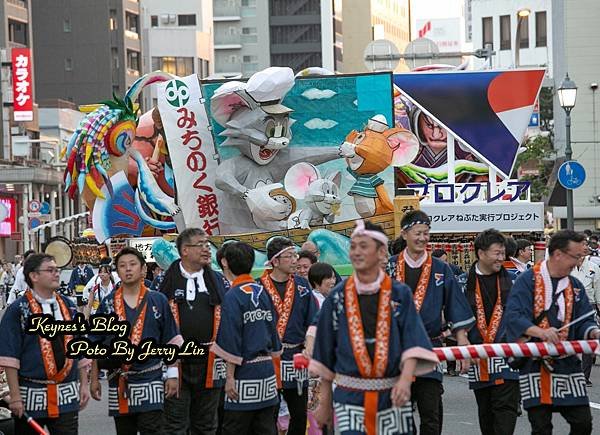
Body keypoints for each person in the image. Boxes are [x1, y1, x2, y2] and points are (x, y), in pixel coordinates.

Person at [310, 220, 439, 434]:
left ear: (381, 253)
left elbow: (413, 341)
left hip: (391, 393)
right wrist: (324, 401)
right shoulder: (338, 297)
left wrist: (406, 381)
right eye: (353, 246)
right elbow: (325, 352)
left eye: (364, 246)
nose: (356, 252)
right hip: (349, 395)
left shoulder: (400, 294)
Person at [505, 230, 600, 435]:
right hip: (535, 363)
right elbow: (513, 316)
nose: (577, 262)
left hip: (567, 363)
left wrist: (593, 332)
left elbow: (584, 318)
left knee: (583, 422)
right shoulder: (527, 280)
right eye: (575, 256)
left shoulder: (574, 285)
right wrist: (539, 331)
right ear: (558, 254)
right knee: (541, 427)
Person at [389, 210, 474, 435]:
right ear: (405, 233)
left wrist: (462, 343)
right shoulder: (388, 267)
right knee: (399, 413)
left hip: (430, 347)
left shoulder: (440, 268)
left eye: (426, 233)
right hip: (395, 349)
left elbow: (455, 305)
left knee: (431, 412)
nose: (423, 238)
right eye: (418, 233)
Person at [89, 247, 182, 435]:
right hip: (119, 379)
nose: (128, 269)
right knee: (124, 430)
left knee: (153, 429)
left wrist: (173, 373)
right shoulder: (107, 304)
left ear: (143, 270)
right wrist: (93, 379)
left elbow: (171, 338)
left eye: (132, 264)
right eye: (122, 266)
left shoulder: (158, 300)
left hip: (151, 377)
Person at [0, 253, 90, 434]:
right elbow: (9, 357)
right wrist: (15, 396)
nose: (56, 274)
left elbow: (79, 346)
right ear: (33, 276)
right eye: (50, 270)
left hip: (67, 392)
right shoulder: (18, 310)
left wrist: (84, 384)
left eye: (57, 270)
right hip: (31, 394)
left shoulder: (68, 306)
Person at [159, 228, 229, 435]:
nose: (207, 249)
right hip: (177, 363)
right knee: (175, 425)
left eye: (208, 244)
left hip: (210, 362)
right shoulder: (167, 281)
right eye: (201, 244)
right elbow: (160, 323)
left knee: (207, 424)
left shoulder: (217, 280)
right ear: (185, 250)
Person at [212, 242, 282, 435]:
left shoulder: (233, 296)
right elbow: (273, 332)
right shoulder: (262, 291)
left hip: (243, 374)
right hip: (266, 372)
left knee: (235, 429)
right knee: (266, 428)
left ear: (225, 262)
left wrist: (230, 377)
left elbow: (231, 339)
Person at [259, 236, 318, 435]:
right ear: (275, 261)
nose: (295, 260)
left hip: (296, 357)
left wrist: (311, 348)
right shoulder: (258, 288)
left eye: (295, 255)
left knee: (299, 413)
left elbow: (313, 321)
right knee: (269, 415)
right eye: (289, 256)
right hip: (268, 359)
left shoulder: (302, 287)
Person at [464, 229, 520, 435]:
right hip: (479, 360)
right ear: (481, 253)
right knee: (486, 418)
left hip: (507, 357)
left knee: (505, 414)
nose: (501, 258)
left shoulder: (513, 280)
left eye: (503, 253)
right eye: (497, 253)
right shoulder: (464, 282)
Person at [570, 246, 600, 387]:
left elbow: (598, 290)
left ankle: (584, 376)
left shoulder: (593, 268)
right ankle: (571, 373)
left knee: (587, 343)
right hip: (570, 308)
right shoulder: (568, 267)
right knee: (570, 342)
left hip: (590, 307)